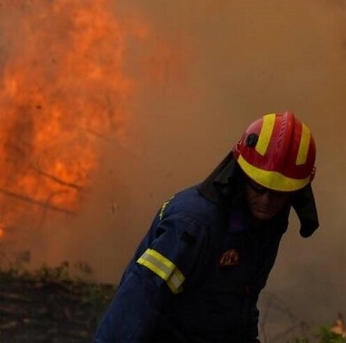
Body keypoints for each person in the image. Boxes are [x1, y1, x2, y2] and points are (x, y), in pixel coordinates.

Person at [94, 111, 320, 343]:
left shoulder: (266, 224)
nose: (266, 201)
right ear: (241, 176)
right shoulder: (193, 224)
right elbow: (140, 299)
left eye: (278, 194)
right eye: (258, 188)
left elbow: (239, 302)